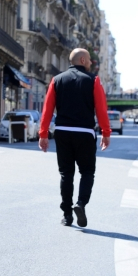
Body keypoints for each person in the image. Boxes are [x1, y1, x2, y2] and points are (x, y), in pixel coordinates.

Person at [39, 47, 111, 227]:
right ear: (84, 61)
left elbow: (47, 109)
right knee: (87, 172)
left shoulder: (57, 80)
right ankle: (80, 203)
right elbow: (101, 109)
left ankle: (67, 215)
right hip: (85, 132)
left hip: (62, 132)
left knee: (66, 174)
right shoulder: (93, 81)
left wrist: (43, 134)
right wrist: (105, 133)